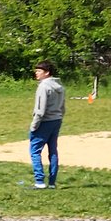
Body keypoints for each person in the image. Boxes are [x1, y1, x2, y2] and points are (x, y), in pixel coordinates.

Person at [30, 60, 65, 190]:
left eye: (39, 71)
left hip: (45, 121)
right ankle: (52, 182)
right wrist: (60, 117)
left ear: (47, 73)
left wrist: (34, 125)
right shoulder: (60, 86)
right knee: (53, 151)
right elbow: (63, 106)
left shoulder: (43, 87)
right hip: (57, 120)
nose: (36, 74)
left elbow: (40, 109)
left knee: (35, 151)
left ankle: (39, 181)